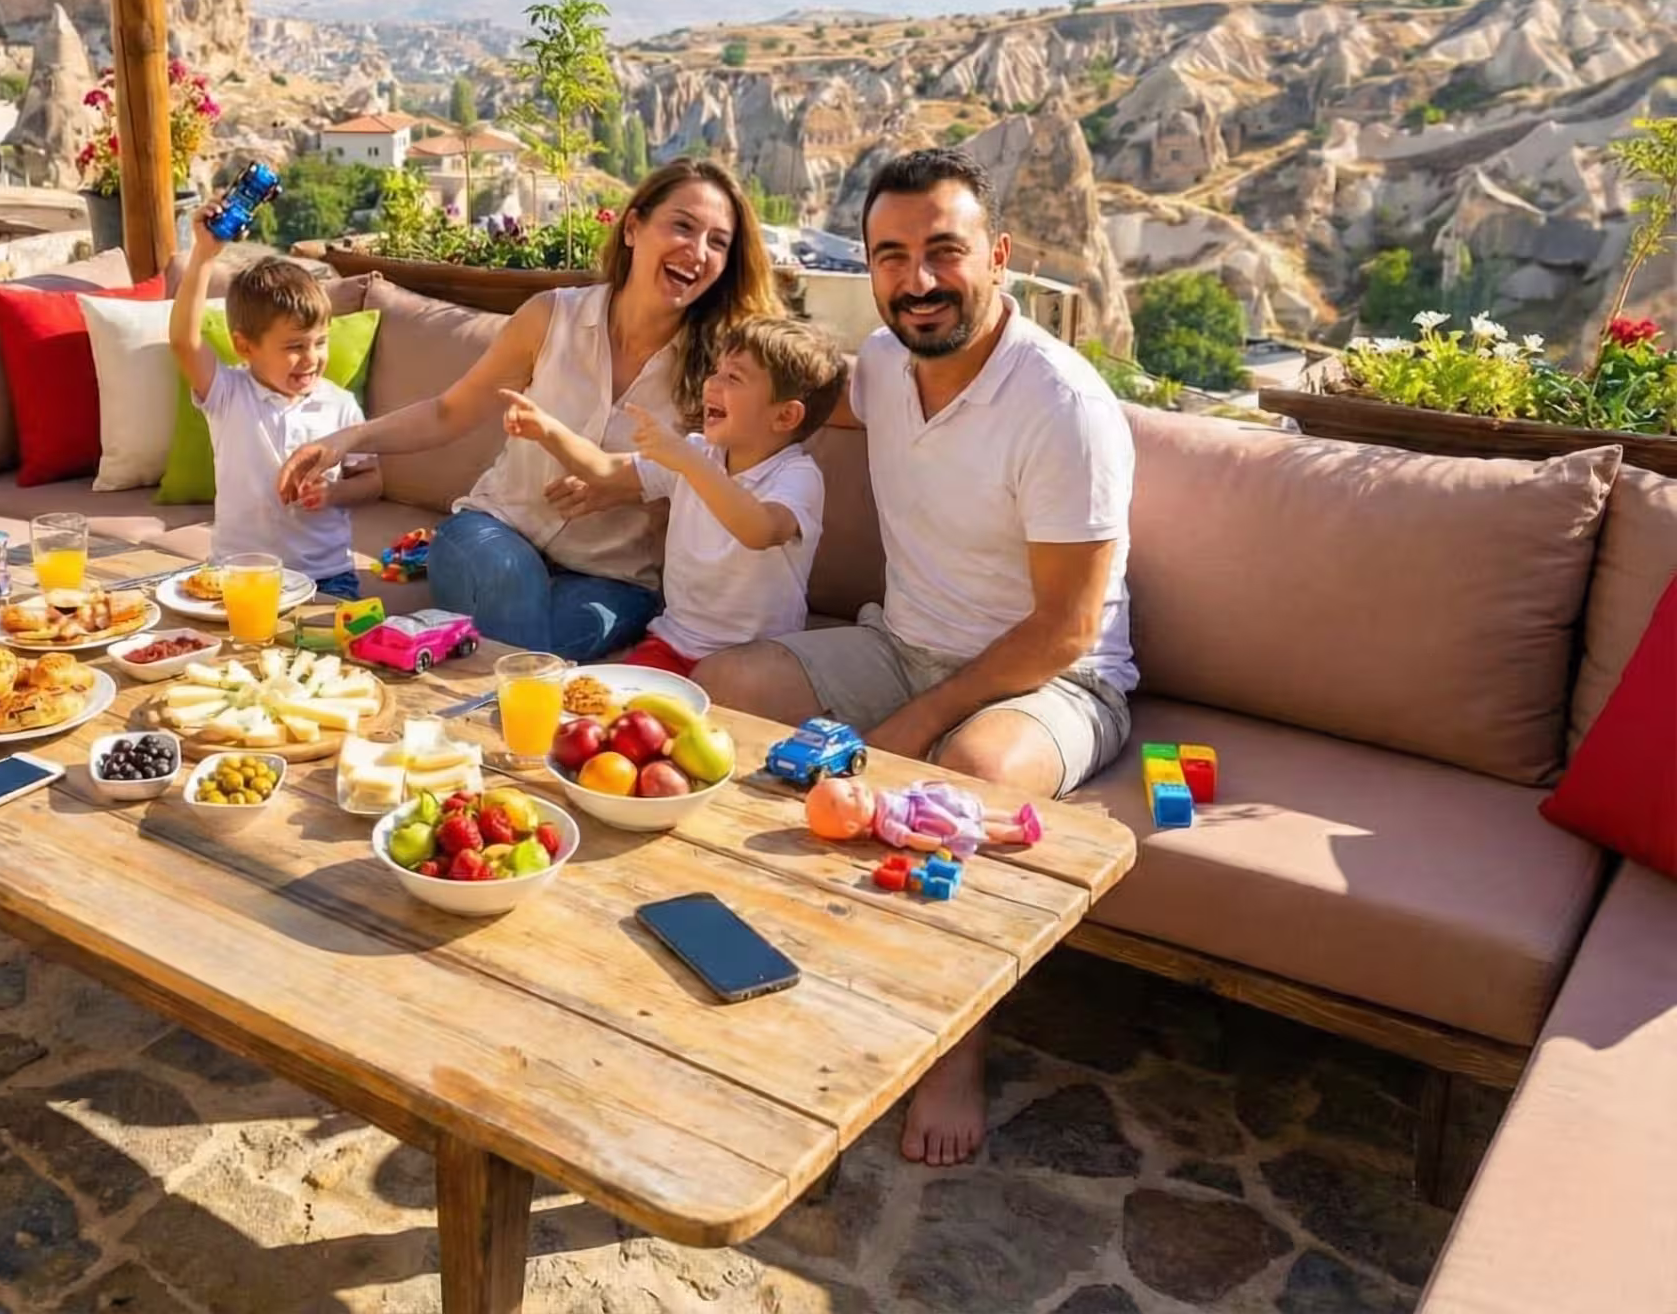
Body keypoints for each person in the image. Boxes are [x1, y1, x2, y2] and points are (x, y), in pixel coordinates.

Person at [692, 148, 1137, 1168]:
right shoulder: (886, 370)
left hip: (1056, 679)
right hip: (902, 639)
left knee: (966, 773)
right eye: (892, 255)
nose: (919, 278)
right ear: (870, 266)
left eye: (945, 249)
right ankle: (752, 941)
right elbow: (793, 398)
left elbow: (1066, 626)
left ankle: (952, 1047)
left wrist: (920, 722)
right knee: (728, 684)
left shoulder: (1060, 404)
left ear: (999, 255)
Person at [273, 159, 785, 659]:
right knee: (513, 611)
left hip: (613, 579)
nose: (697, 251)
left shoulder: (722, 372)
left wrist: (621, 485)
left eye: (718, 242)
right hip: (494, 532)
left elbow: (722, 480)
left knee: (525, 643)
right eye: (683, 226)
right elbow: (448, 412)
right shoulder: (551, 317)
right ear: (633, 228)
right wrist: (345, 440)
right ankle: (514, 710)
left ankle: (458, 680)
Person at [496, 316, 844, 675]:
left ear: (785, 415)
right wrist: (548, 430)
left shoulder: (796, 476)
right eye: (716, 371)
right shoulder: (697, 453)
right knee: (613, 714)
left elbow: (759, 530)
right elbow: (604, 469)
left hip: (754, 662)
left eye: (733, 377)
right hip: (673, 643)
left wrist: (688, 463)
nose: (712, 384)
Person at [170, 211, 381, 599]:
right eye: (294, 347)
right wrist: (203, 255)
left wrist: (333, 495)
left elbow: (372, 481)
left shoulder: (341, 405)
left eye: (320, 342)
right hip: (237, 575)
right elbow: (184, 341)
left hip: (328, 576)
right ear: (244, 347)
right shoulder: (228, 394)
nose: (312, 357)